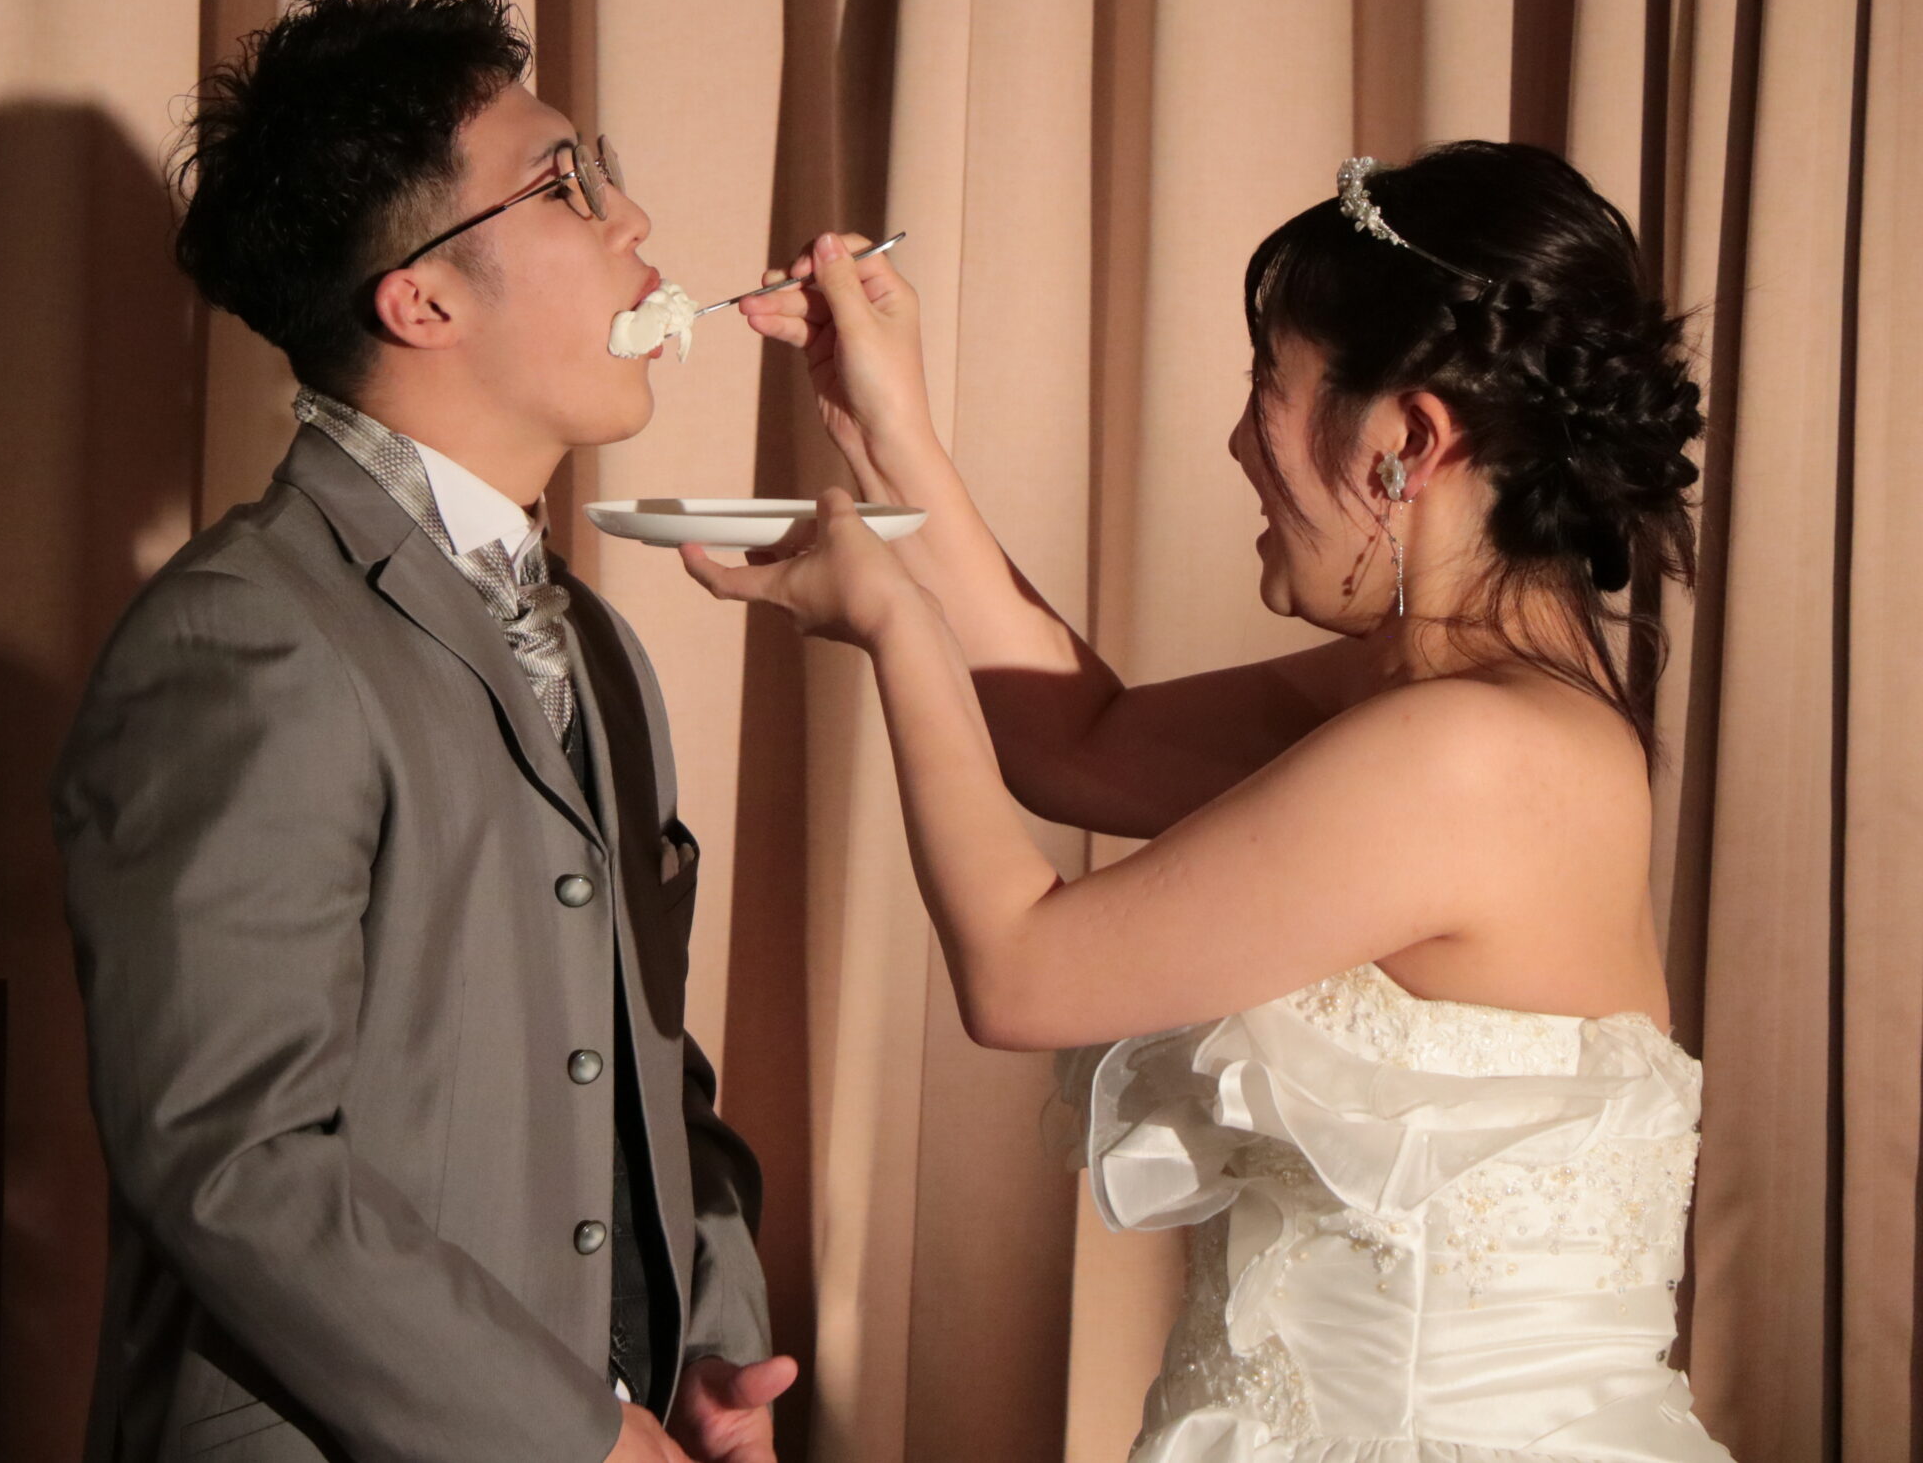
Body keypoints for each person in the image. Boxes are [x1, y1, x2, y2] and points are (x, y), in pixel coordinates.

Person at [686, 143, 1731, 1459]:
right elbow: (1080, 743)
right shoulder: (1439, 697)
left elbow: (1021, 973)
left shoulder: (1472, 751)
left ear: (1407, 442)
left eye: (1266, 390)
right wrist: (891, 432)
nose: (1240, 440)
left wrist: (898, 627)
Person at [53, 0, 790, 1463]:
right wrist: (569, 1437)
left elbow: (646, 1064)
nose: (634, 221)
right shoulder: (240, 636)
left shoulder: (597, 643)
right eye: (568, 183)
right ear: (423, 299)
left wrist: (712, 1349)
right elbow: (235, 1160)